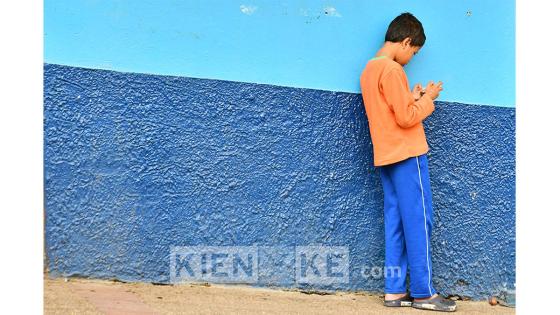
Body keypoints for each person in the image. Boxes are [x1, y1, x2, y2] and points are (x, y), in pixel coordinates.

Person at [360, 12, 456, 312]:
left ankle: (394, 291)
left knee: (396, 221)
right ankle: (424, 293)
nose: (411, 58)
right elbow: (406, 118)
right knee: (419, 219)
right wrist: (429, 100)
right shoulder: (392, 70)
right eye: (413, 52)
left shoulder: (369, 69)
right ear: (405, 41)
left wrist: (411, 97)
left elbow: (392, 111)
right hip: (407, 154)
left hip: (386, 156)